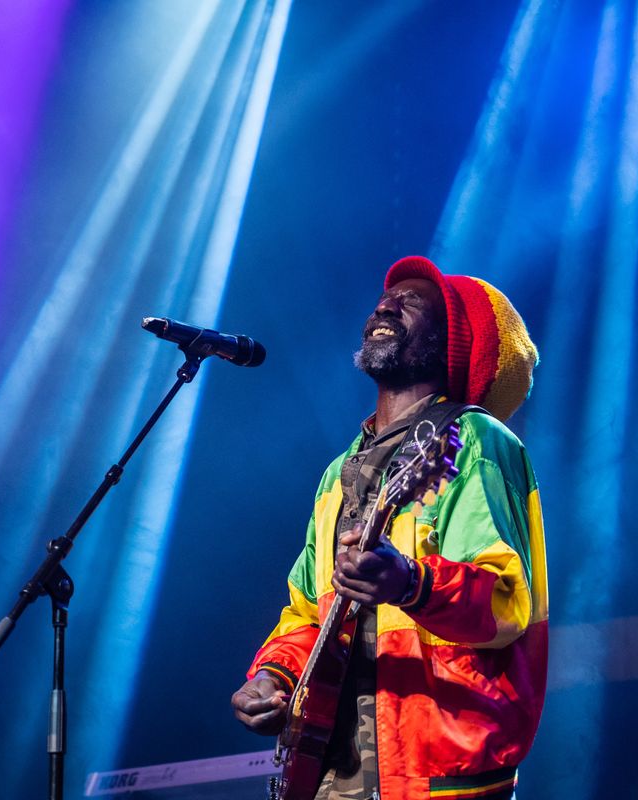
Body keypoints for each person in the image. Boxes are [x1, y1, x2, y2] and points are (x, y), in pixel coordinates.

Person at [232, 255, 548, 800]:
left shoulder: (473, 441)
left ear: (451, 342)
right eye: (384, 300)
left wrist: (410, 583)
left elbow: (506, 603)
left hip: (436, 770)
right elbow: (308, 613)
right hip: (333, 772)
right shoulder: (338, 473)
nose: (385, 307)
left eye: (412, 302)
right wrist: (272, 678)